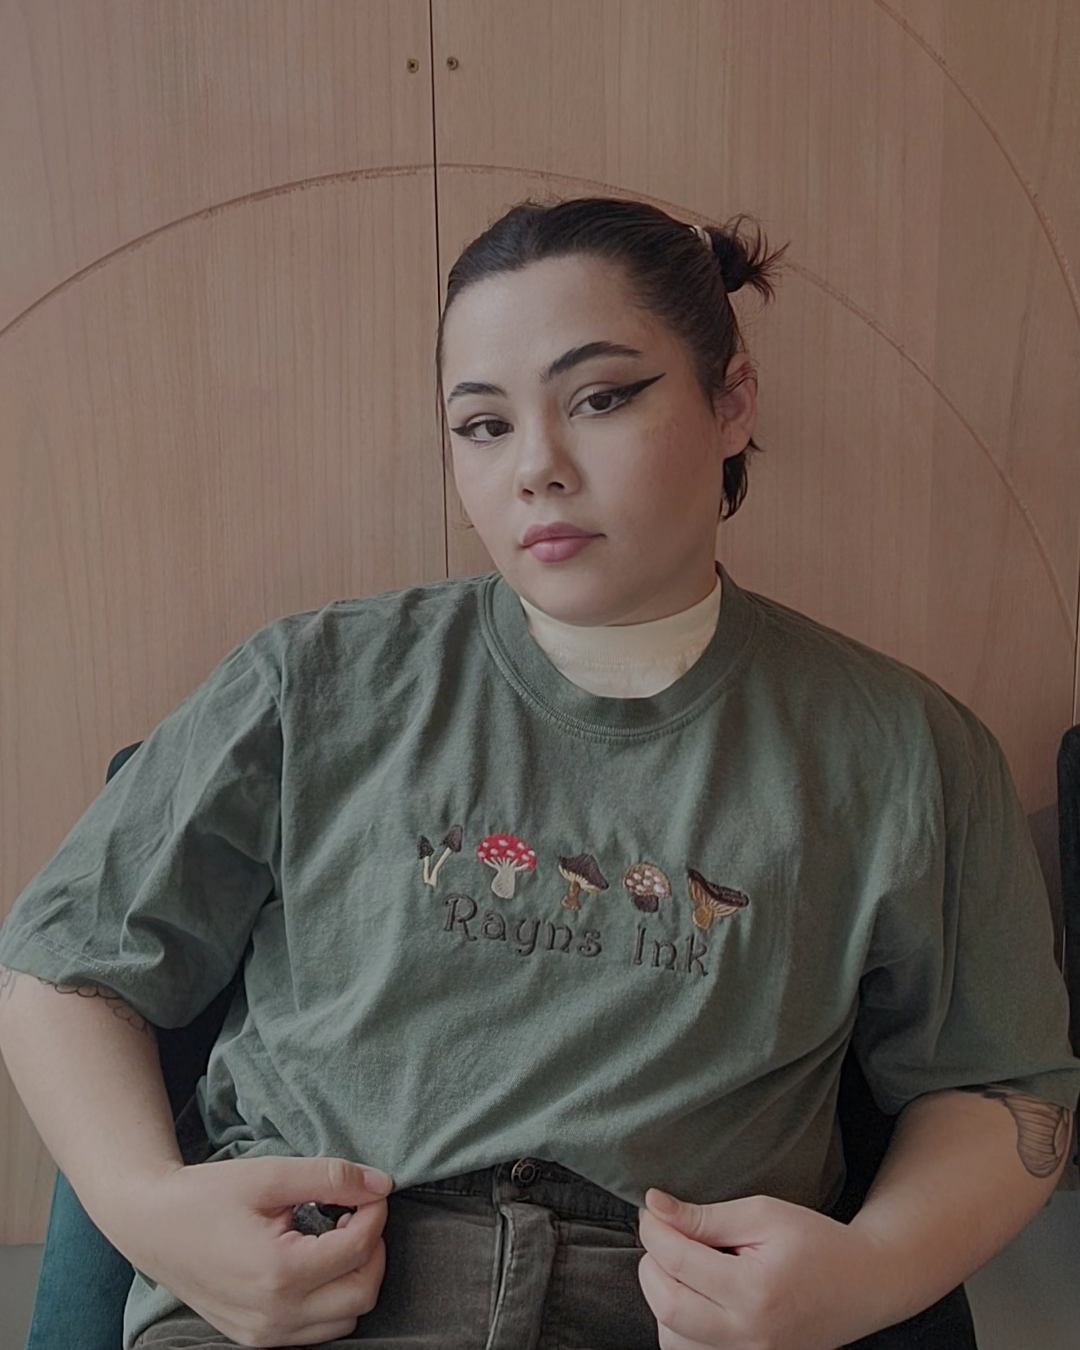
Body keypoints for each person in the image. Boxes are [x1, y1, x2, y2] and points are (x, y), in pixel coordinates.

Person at [0, 194, 1077, 1350]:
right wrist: (150, 1214)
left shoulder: (905, 748)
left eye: (602, 398)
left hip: (671, 1311)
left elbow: (1004, 1087)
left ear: (731, 401)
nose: (537, 469)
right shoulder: (308, 684)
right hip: (309, 1298)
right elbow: (65, 966)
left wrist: (868, 1274)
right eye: (483, 424)